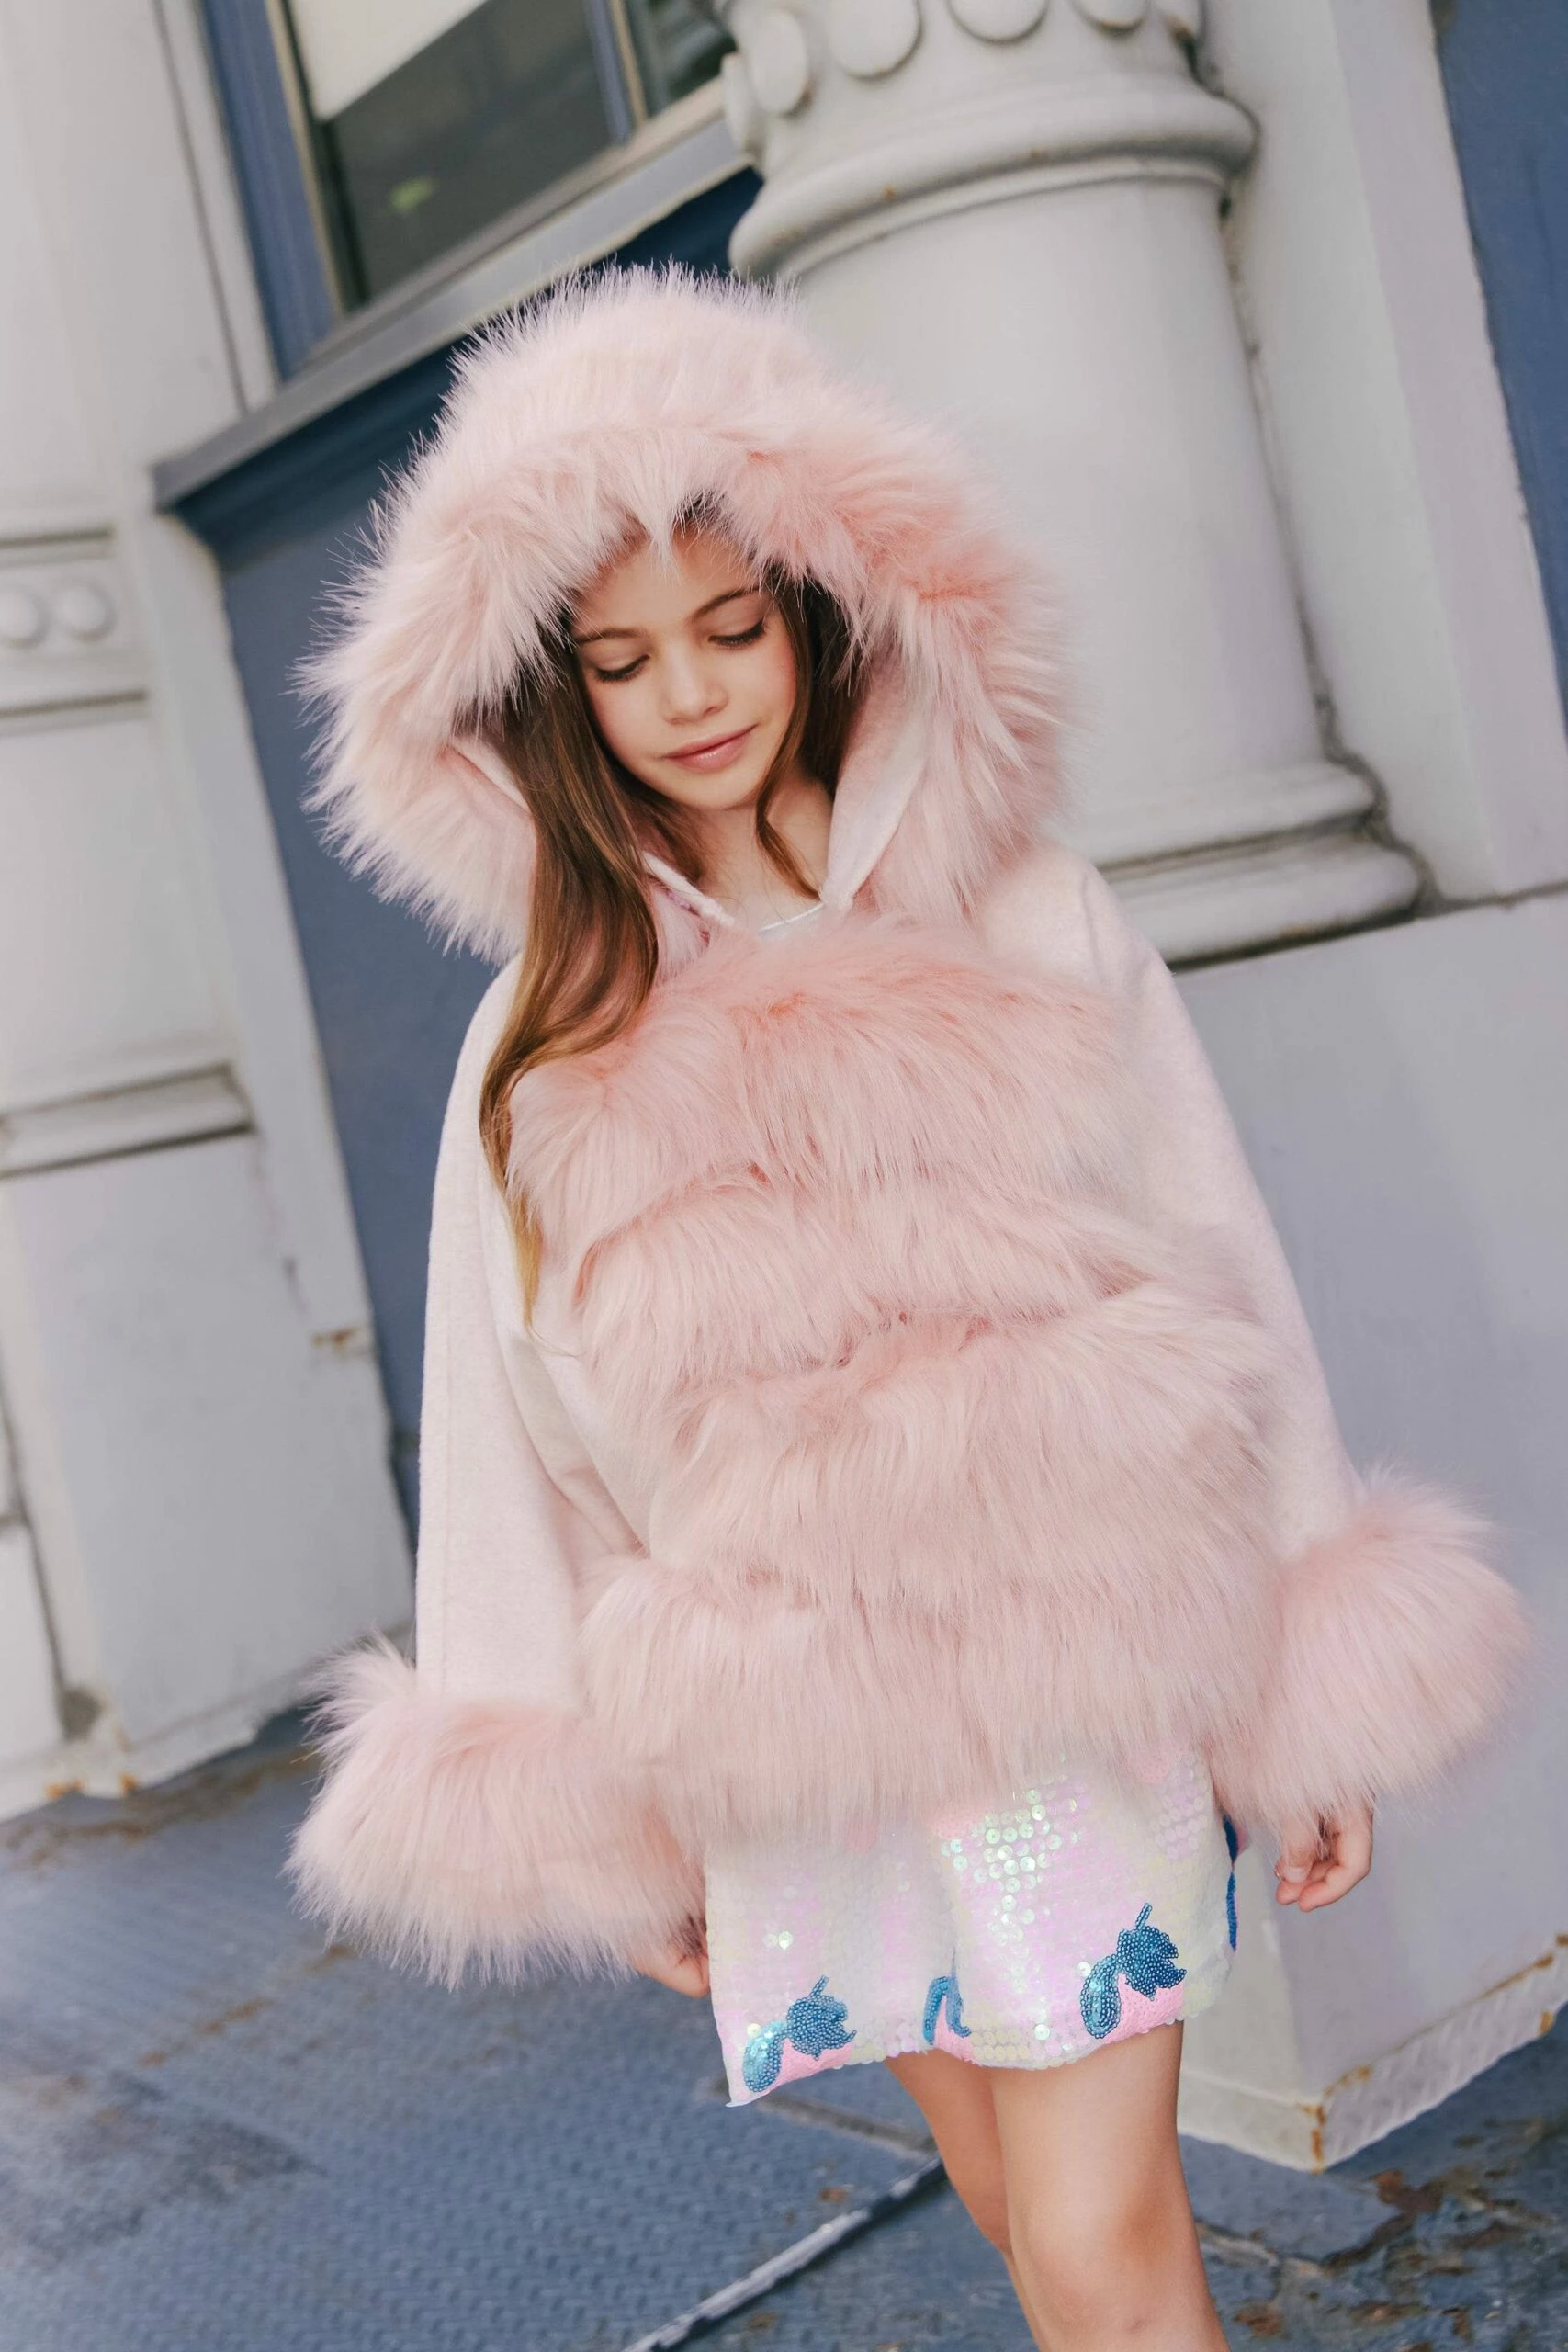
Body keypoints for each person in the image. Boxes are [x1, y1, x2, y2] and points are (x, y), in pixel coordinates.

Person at [291, 269, 1523, 2349]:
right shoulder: (549, 1032)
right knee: (1026, 2213)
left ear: (819, 605)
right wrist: (613, 1819)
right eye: (619, 659)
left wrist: (1305, 1667)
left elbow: (1216, 1267)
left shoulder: (1028, 912)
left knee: (1101, 2222)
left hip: (1071, 1675)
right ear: (546, 696)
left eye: (730, 626)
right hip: (797, 1747)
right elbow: (527, 1431)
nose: (689, 695)